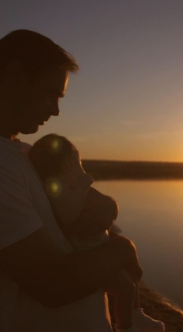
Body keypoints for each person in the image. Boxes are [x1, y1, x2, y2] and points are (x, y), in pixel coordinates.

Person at [0, 29, 141, 331]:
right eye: (50, 93)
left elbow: (89, 202)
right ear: (15, 76)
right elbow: (53, 284)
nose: (55, 110)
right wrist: (123, 250)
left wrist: (109, 207)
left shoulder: (24, 154)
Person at [28, 134, 165, 332]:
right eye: (79, 163)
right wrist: (82, 188)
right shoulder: (59, 189)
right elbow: (67, 217)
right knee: (125, 288)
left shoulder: (68, 186)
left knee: (129, 284)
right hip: (90, 254)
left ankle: (136, 316)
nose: (82, 169)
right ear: (68, 164)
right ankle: (127, 327)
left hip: (98, 248)